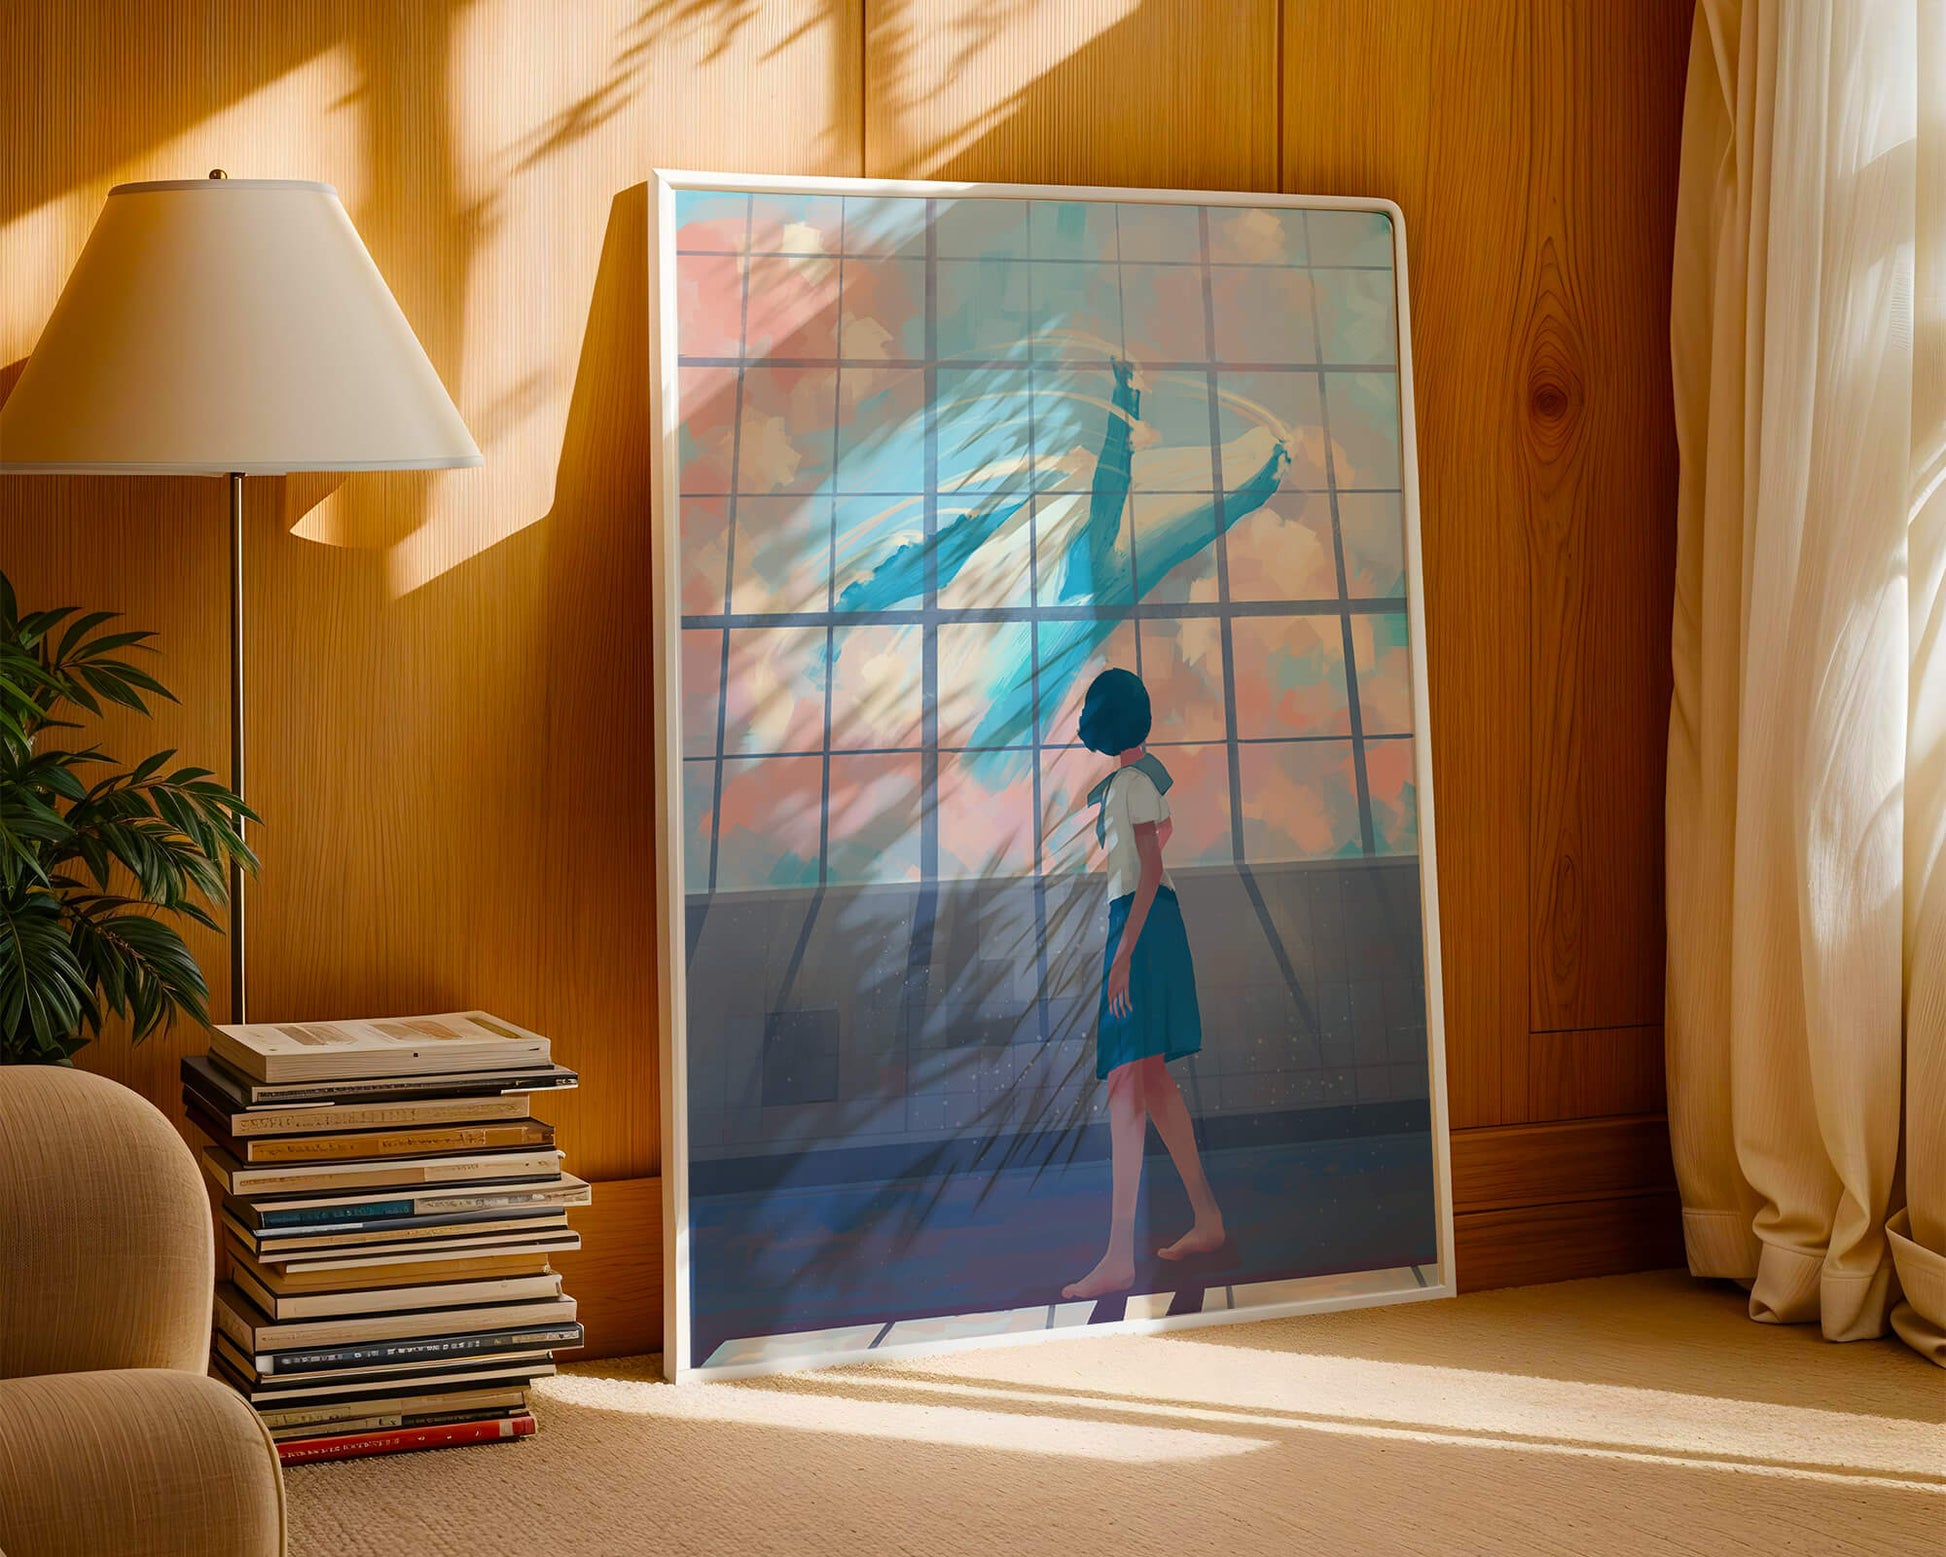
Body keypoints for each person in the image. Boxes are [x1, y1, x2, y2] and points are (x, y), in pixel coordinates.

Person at [1062, 668, 1228, 1301]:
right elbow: (1159, 843)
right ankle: (1206, 1219)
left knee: (1129, 1081)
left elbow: (1150, 866)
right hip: (1145, 921)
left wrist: (1125, 952)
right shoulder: (1141, 780)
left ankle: (1117, 1258)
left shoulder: (1130, 783)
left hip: (1140, 925)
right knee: (1148, 1080)